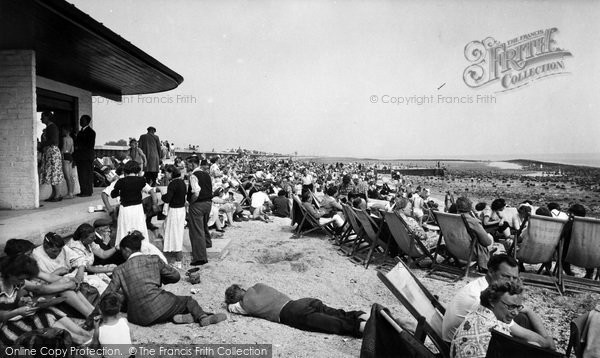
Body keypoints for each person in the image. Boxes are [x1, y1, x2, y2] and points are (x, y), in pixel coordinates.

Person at [93, 232, 226, 327]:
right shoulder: (154, 260)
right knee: (187, 300)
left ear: (127, 250)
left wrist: (90, 319)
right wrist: (160, 278)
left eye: (122, 251)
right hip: (159, 306)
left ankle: (176, 317)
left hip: (138, 318)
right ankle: (202, 317)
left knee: (130, 300)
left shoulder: (119, 269)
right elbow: (175, 276)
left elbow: (107, 294)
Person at [442, 254, 550, 342]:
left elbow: (526, 309)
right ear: (491, 272)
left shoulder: (491, 289)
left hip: (468, 337)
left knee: (522, 318)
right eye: (506, 276)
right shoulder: (480, 297)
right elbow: (519, 332)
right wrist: (547, 343)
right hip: (459, 344)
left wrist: (545, 337)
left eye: (515, 278)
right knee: (530, 338)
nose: (511, 282)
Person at [0, 255, 92, 345]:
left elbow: (19, 300)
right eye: (20, 279)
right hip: (5, 327)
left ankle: (83, 334)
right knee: (42, 318)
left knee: (47, 310)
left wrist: (25, 301)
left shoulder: (17, 282)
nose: (22, 282)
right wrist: (17, 311)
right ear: (9, 274)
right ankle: (77, 339)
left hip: (17, 317)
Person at [450, 280, 556, 358]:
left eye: (518, 307)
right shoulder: (498, 329)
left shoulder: (478, 312)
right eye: (510, 306)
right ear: (492, 301)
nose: (515, 312)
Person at [225, 283, 368, 337]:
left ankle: (360, 327)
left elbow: (232, 308)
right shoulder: (258, 286)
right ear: (242, 289)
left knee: (329, 323)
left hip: (289, 313)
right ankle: (360, 315)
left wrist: (230, 303)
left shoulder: (246, 305)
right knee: (332, 312)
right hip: (300, 301)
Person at [31, 232, 96, 317]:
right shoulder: (36, 255)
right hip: (49, 286)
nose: (57, 253)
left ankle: (93, 311)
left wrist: (79, 275)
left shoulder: (63, 248)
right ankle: (90, 315)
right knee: (66, 289)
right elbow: (43, 282)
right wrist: (58, 272)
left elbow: (80, 259)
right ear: (46, 247)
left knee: (72, 285)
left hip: (62, 279)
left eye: (59, 251)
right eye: (54, 251)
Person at [68, 223, 118, 294]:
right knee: (107, 290)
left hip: (91, 272)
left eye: (94, 236)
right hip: (80, 276)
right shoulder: (75, 247)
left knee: (113, 285)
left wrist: (116, 248)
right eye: (92, 237)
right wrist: (111, 269)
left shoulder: (88, 242)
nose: (94, 238)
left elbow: (103, 254)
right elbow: (88, 268)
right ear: (83, 237)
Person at [186, 157, 213, 266]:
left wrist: (191, 202)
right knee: (204, 226)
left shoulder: (194, 176)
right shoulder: (206, 174)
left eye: (188, 164)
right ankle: (207, 243)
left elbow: (196, 192)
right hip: (208, 203)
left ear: (193, 164)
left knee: (196, 230)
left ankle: (200, 258)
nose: (187, 166)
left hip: (198, 204)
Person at [455, 196, 493, 271]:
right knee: (490, 237)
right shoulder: (473, 221)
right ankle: (481, 264)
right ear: (470, 208)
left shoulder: (451, 218)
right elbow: (487, 242)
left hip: (454, 249)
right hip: (470, 252)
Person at [161, 165, 187, 269]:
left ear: (171, 173)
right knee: (176, 232)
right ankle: (176, 257)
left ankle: (178, 260)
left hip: (175, 210)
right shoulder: (182, 182)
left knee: (175, 234)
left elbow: (167, 199)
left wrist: (163, 195)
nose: (165, 175)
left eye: (166, 173)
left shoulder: (172, 184)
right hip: (181, 210)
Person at [39, 111, 64, 202]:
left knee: (54, 173)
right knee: (52, 173)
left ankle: (57, 195)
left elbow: (53, 140)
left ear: (47, 117)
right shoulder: (50, 127)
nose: (41, 119)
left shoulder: (52, 127)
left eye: (43, 117)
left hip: (52, 152)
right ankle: (55, 194)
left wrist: (41, 144)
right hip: (50, 152)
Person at [73, 114, 96, 197]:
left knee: (87, 174)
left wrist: (78, 146)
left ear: (87, 121)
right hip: (80, 157)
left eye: (82, 120)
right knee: (81, 174)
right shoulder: (80, 132)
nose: (80, 121)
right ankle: (83, 191)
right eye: (80, 120)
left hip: (86, 157)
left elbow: (89, 145)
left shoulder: (91, 132)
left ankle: (88, 191)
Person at [60, 126, 75, 199]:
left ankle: (70, 193)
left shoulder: (64, 139)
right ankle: (72, 192)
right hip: (70, 156)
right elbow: (72, 150)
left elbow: (63, 148)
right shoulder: (71, 139)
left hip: (65, 156)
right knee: (71, 176)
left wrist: (61, 153)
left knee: (67, 177)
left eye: (63, 130)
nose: (62, 132)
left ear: (66, 131)